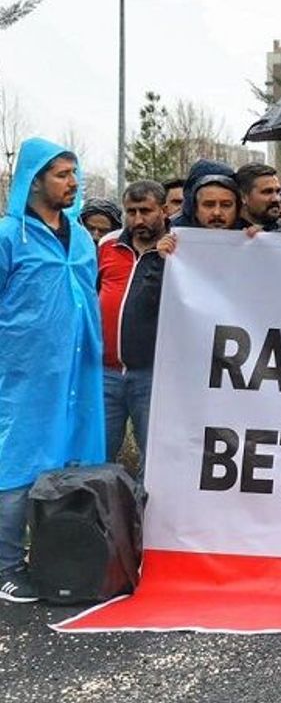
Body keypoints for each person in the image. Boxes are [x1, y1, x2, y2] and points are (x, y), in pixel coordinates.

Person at [0, 139, 105, 603]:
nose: (73, 182)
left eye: (74, 173)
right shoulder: (9, 236)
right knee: (17, 466)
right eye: (62, 174)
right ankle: (6, 566)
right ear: (34, 180)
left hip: (79, 371)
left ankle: (58, 561)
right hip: (25, 375)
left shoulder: (81, 237)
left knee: (72, 464)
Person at [97, 180, 171, 478]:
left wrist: (165, 261)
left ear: (164, 211)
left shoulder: (179, 249)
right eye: (131, 212)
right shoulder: (108, 246)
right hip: (105, 373)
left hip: (152, 375)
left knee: (154, 460)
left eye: (146, 211)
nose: (138, 219)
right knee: (96, 457)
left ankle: (145, 508)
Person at [169, 159, 235, 228]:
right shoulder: (172, 229)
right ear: (193, 207)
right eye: (209, 205)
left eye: (226, 205)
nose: (217, 213)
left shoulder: (242, 229)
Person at [235, 163, 281, 232]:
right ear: (243, 197)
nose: (276, 199)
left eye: (278, 191)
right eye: (267, 192)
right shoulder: (226, 230)